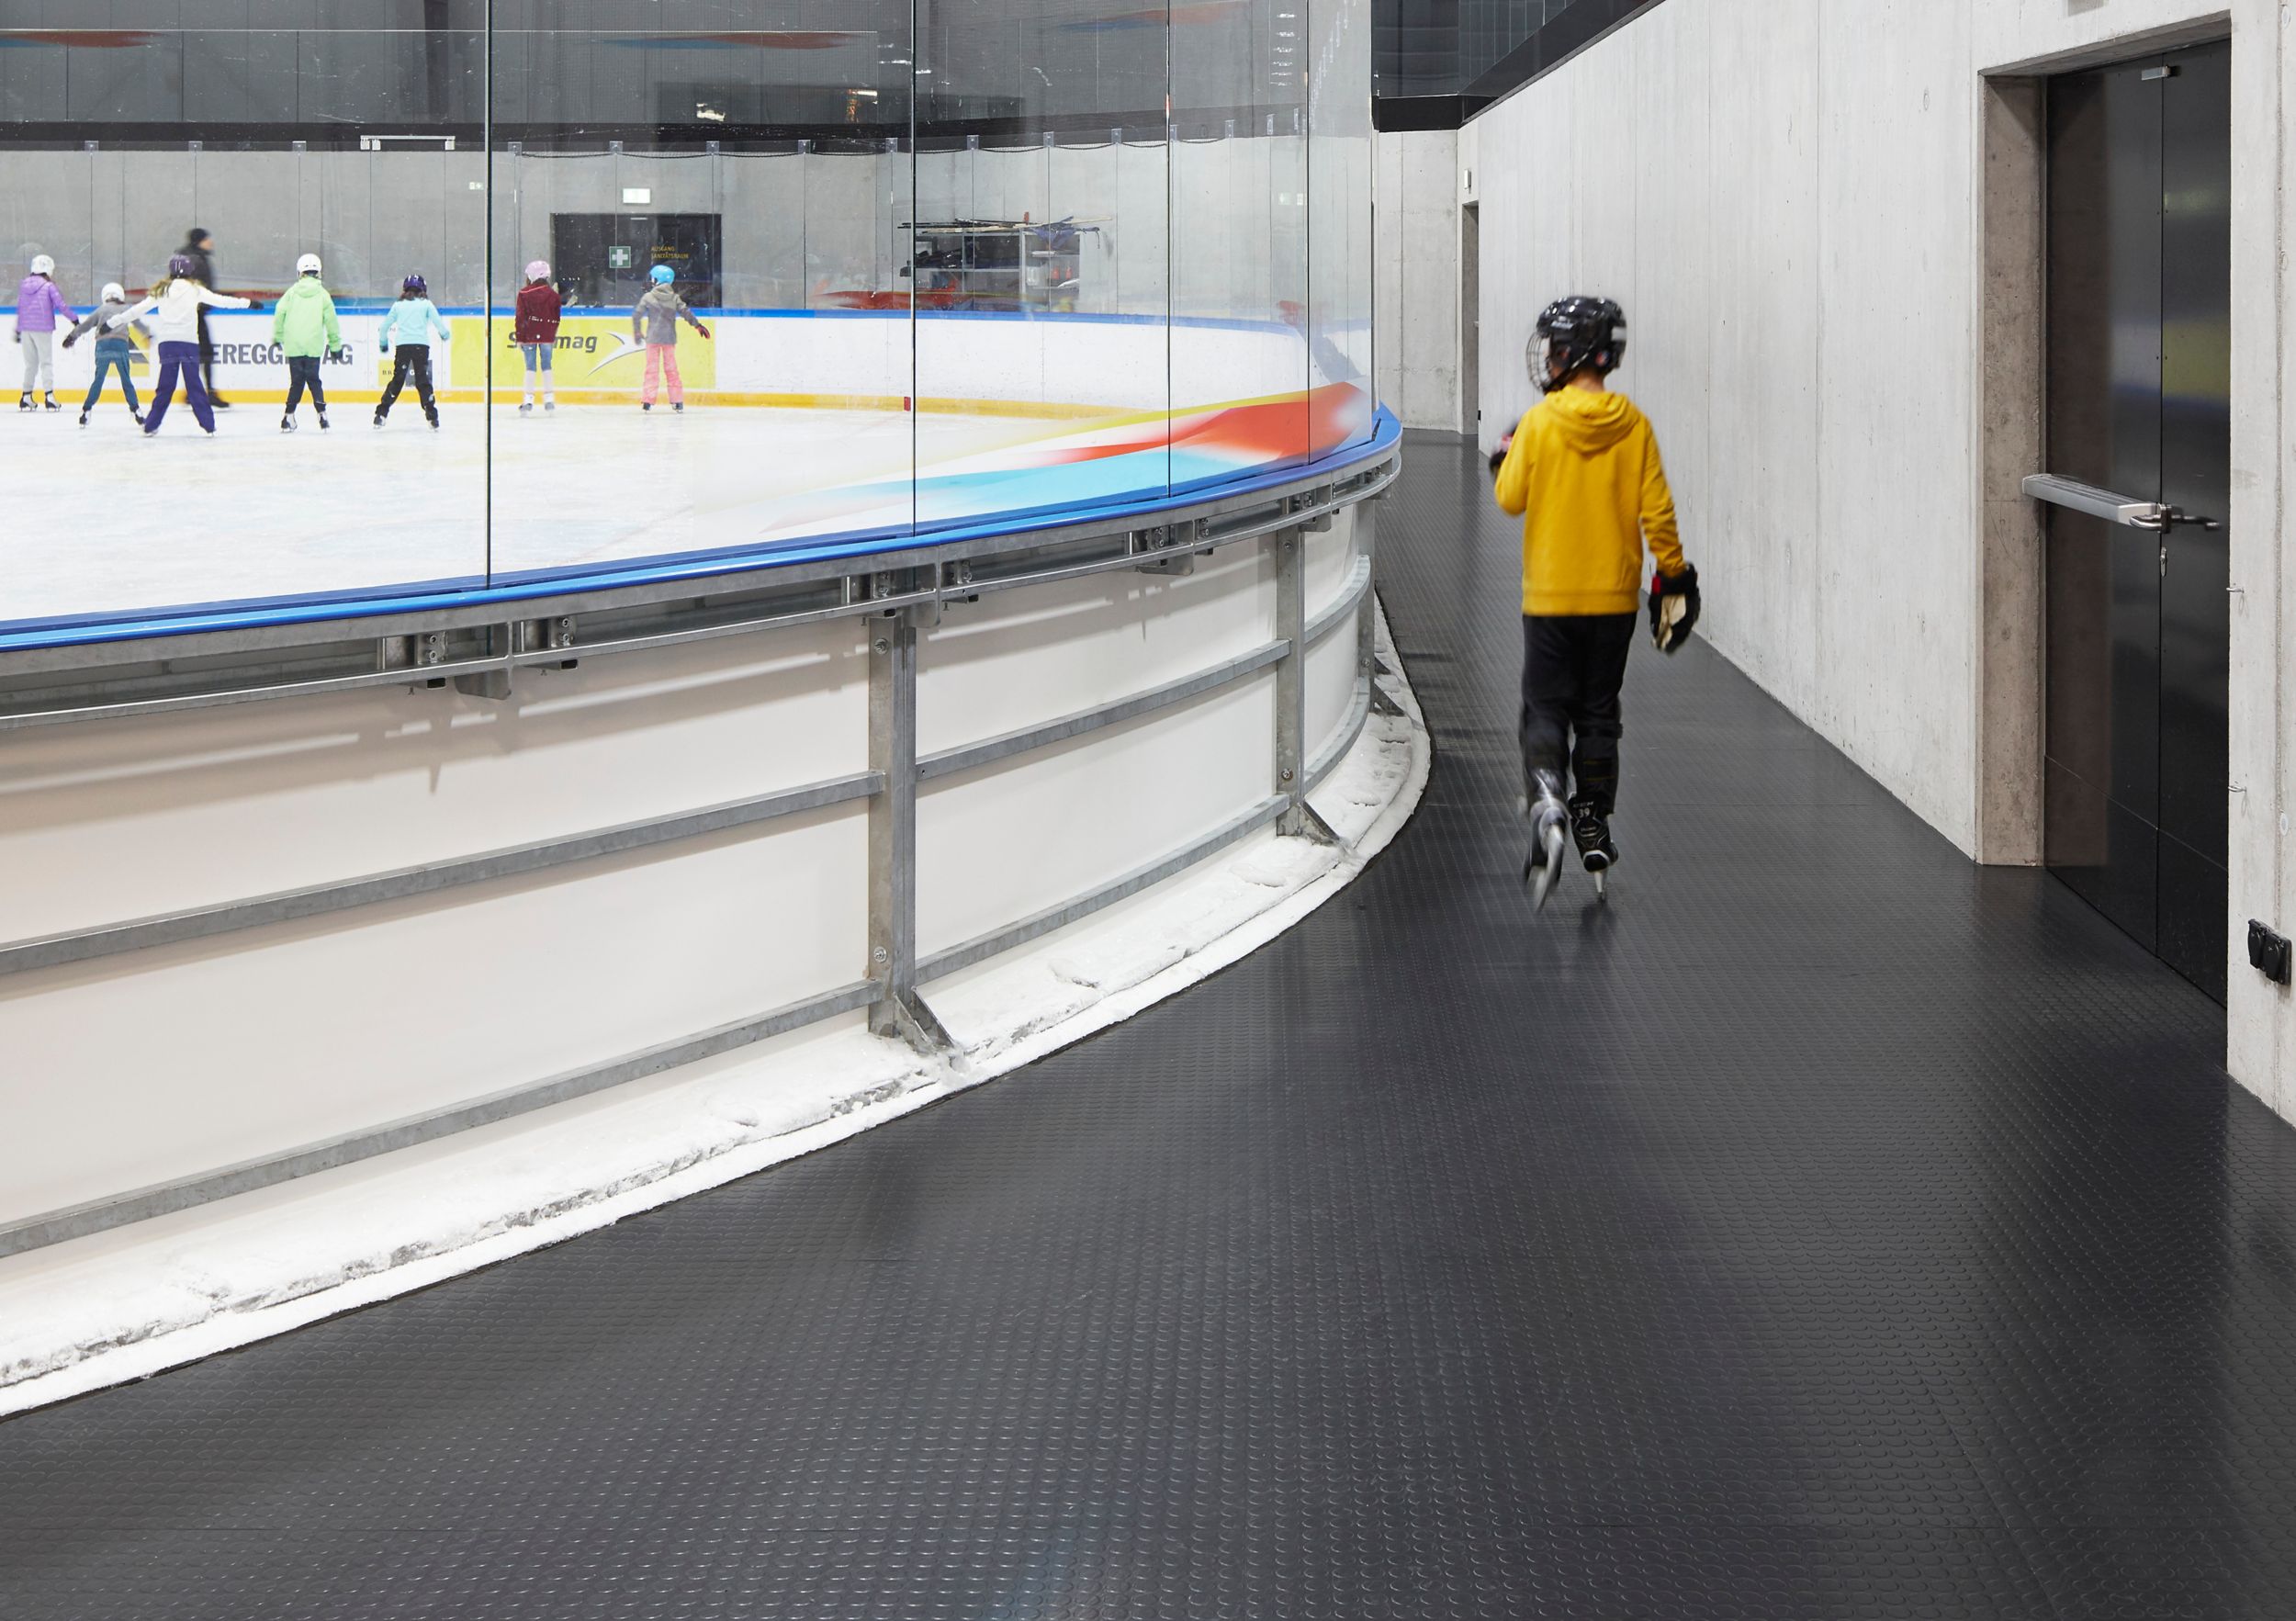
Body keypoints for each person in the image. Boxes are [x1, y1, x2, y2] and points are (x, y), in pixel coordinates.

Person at [1492, 294, 1700, 906]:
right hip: (1614, 601)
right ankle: (1592, 817)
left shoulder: (1539, 423)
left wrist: (1505, 456)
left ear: (1572, 353)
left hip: (1552, 598)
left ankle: (1548, 801)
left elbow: (1509, 498)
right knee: (1600, 714)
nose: (1549, 360)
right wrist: (1675, 575)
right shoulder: (1634, 424)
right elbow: (1658, 512)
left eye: (1555, 348)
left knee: (1546, 708)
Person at [111, 253, 251, 436]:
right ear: (189, 271)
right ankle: (208, 425)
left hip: (168, 345)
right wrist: (247, 303)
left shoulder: (162, 291)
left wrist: (112, 322)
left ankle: (151, 425)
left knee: (165, 387)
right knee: (195, 387)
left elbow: (136, 310)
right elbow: (222, 301)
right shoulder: (194, 289)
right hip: (188, 345)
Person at [61, 281, 148, 426]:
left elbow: (86, 325)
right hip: (120, 345)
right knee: (126, 380)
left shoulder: (100, 310)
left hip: (103, 345)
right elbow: (138, 324)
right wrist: (147, 334)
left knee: (98, 380)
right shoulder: (127, 308)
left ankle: (86, 412)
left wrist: (71, 337)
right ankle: (136, 410)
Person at [273, 252, 341, 432]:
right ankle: (322, 415)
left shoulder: (292, 293)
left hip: (294, 346)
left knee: (297, 382)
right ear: (318, 272)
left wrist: (278, 336)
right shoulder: (323, 294)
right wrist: (335, 345)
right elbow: (331, 320)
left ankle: (288, 417)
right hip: (313, 346)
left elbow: (279, 312)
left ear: (299, 272)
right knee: (314, 380)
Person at [374, 273, 449, 430]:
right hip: (421, 347)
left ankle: (381, 414)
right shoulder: (426, 304)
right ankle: (432, 417)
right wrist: (444, 334)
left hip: (403, 347)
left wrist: (383, 343)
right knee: (423, 381)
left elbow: (385, 327)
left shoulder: (398, 305)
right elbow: (438, 322)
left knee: (397, 381)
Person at [631, 263, 711, 412]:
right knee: (671, 369)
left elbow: (637, 315)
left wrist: (637, 331)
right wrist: (697, 325)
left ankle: (648, 401)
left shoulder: (648, 297)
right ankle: (677, 401)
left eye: (653, 278)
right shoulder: (674, 298)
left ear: (657, 280)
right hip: (668, 339)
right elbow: (686, 312)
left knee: (651, 370)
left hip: (653, 339)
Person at [177, 227, 231, 408]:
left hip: (193, 313)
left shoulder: (194, 257)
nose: (211, 242)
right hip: (195, 313)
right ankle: (207, 392)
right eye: (207, 239)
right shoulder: (195, 259)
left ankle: (194, 392)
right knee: (204, 352)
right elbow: (196, 288)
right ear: (199, 241)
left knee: (197, 353)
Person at [14, 253, 74, 411]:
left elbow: (20, 308)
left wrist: (18, 329)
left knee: (30, 365)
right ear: (48, 269)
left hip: (26, 329)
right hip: (43, 329)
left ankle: (26, 397)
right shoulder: (49, 286)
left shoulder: (23, 285)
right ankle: (49, 396)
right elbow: (61, 305)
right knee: (46, 363)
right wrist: (74, 320)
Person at [513, 260, 562, 413]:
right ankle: (549, 399)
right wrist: (551, 333)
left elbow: (520, 318)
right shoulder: (553, 295)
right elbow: (556, 318)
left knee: (530, 367)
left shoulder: (524, 294)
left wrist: (520, 337)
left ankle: (528, 400)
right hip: (547, 336)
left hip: (529, 336)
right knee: (547, 365)